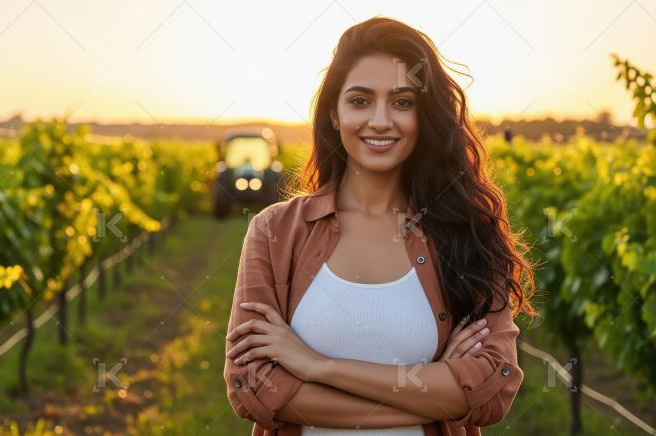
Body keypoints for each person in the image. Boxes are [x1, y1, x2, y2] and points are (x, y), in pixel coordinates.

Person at [224, 16, 537, 436]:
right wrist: (436, 393)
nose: (380, 120)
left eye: (402, 102)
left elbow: (491, 387)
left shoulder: (468, 232)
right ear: (334, 115)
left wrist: (317, 366)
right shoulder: (273, 231)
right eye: (359, 100)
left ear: (423, 116)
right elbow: (254, 390)